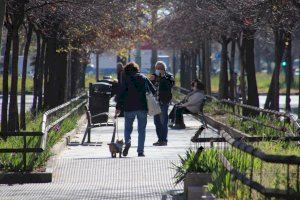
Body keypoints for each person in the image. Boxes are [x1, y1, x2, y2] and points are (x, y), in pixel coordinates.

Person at [115, 62, 155, 157]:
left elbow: (121, 93)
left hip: (128, 107)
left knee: (128, 129)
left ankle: (128, 142)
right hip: (142, 107)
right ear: (137, 69)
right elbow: (153, 90)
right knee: (142, 130)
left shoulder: (126, 79)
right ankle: (140, 151)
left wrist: (118, 107)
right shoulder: (143, 78)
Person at [150, 61, 175, 146]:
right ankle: (160, 139)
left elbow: (170, 85)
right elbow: (150, 87)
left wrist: (162, 77)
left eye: (160, 68)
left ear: (164, 69)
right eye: (157, 68)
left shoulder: (169, 77)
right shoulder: (154, 76)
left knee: (164, 121)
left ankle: (164, 140)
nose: (158, 70)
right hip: (155, 102)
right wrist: (152, 80)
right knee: (156, 121)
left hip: (164, 101)